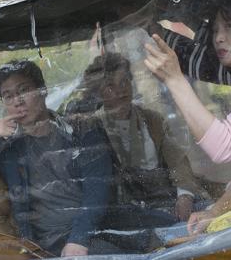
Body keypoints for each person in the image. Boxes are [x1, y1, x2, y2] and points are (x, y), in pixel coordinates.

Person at [144, 4, 231, 235]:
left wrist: (174, 79)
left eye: (229, 27)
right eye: (215, 31)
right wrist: (214, 212)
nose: (219, 38)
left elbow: (224, 145)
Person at [0, 60, 114, 257]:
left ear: (43, 90)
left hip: (98, 231)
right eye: (8, 96)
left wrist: (78, 239)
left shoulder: (81, 131)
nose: (17, 101)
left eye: (24, 90)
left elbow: (98, 192)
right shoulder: (7, 148)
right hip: (46, 243)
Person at [81, 53, 208, 222]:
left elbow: (178, 161)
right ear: (99, 93)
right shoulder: (93, 127)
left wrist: (184, 196)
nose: (121, 90)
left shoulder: (152, 119)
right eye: (110, 86)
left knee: (208, 213)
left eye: (125, 81)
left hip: (165, 197)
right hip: (127, 209)